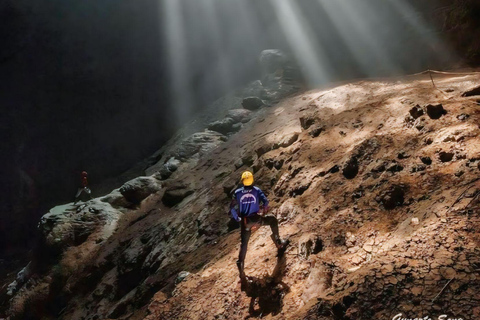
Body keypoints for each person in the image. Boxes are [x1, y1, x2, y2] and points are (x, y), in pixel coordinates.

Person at [230, 171, 289, 281]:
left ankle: (241, 266)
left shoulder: (237, 193)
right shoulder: (256, 190)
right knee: (272, 220)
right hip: (257, 219)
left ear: (243, 181)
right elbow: (266, 203)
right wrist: (263, 211)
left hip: (245, 222)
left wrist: (237, 218)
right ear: (252, 180)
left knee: (244, 244)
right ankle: (278, 243)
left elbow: (232, 208)